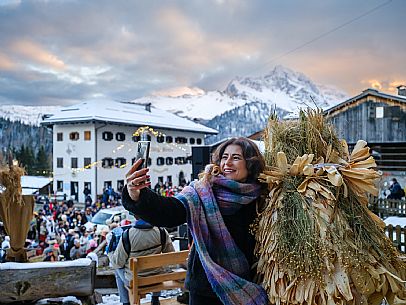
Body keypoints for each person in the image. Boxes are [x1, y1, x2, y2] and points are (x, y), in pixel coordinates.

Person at [122, 137, 269, 305]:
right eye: (224, 157)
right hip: (206, 289)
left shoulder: (261, 198)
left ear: (250, 164)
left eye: (236, 158)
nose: (227, 162)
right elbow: (169, 212)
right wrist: (136, 194)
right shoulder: (201, 192)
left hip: (246, 286)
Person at [108, 219, 175, 305]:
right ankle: (155, 299)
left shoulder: (127, 235)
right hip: (157, 278)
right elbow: (170, 255)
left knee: (117, 269)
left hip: (136, 281)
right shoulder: (161, 231)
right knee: (157, 267)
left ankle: (126, 302)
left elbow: (118, 263)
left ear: (135, 217)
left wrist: (110, 252)